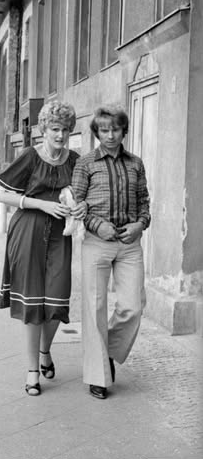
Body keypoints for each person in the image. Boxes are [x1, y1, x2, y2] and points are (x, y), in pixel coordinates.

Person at [0, 102, 86, 396]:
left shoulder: (75, 161)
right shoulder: (31, 156)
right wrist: (41, 204)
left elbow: (85, 194)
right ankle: (33, 369)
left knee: (57, 301)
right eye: (55, 129)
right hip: (28, 231)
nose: (61, 135)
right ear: (44, 130)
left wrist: (81, 206)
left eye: (66, 130)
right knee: (33, 303)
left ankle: (45, 350)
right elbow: (3, 194)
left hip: (61, 235)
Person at [72, 103, 150, 400]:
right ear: (96, 132)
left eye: (115, 129)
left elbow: (144, 202)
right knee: (94, 308)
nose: (110, 135)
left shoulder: (136, 163)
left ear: (124, 130)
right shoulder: (86, 164)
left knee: (133, 306)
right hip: (97, 242)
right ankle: (97, 377)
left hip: (129, 244)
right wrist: (97, 225)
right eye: (104, 130)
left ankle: (106, 353)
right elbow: (76, 205)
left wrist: (140, 225)